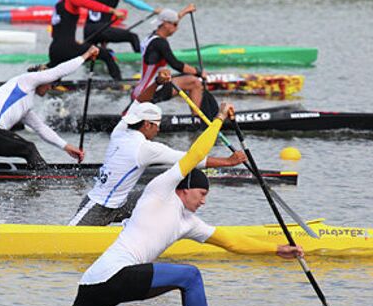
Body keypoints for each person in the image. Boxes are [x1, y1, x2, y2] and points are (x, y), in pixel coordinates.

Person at [62, 102, 304, 306]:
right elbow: (195, 155)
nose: (203, 202)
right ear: (185, 189)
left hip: (92, 282)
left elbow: (232, 242)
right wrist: (219, 118)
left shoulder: (190, 223)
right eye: (201, 194)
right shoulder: (160, 190)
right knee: (191, 276)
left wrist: (276, 249)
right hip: (115, 274)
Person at [69, 70, 247, 226]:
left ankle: (165, 231)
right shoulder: (145, 149)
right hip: (97, 205)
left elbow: (140, 101)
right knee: (68, 241)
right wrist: (228, 161)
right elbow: (193, 158)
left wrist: (157, 83)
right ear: (147, 125)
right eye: (156, 125)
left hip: (121, 203)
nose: (159, 129)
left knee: (162, 197)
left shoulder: (121, 129)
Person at [0, 46, 100, 170]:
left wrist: (66, 147)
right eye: (52, 83)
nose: (51, 87)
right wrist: (86, 55)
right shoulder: (26, 80)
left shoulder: (24, 103)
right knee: (29, 149)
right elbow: (58, 71)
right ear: (44, 78)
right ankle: (45, 182)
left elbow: (41, 129)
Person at [131, 7, 213, 116]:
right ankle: (196, 119)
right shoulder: (161, 43)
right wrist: (199, 72)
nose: (177, 28)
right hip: (153, 89)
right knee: (195, 82)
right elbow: (176, 64)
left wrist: (184, 11)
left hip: (140, 89)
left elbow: (172, 19)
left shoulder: (150, 37)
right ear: (165, 24)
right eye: (175, 25)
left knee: (185, 76)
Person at [48, 0, 126, 81]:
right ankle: (119, 83)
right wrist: (113, 11)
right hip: (68, 48)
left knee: (53, 81)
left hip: (55, 49)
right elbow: (88, 4)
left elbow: (57, 29)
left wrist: (73, 40)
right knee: (106, 54)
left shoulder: (61, 3)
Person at [83, 0, 161, 53]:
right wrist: (152, 9)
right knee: (132, 37)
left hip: (88, 31)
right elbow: (133, 1)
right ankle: (142, 57)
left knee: (101, 51)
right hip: (101, 29)